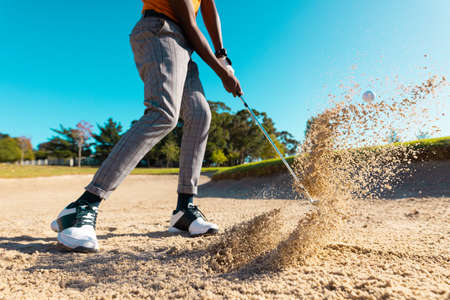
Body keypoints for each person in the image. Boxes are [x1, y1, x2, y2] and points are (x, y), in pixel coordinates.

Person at [50, 0, 243, 252]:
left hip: (184, 45)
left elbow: (208, 7)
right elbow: (190, 23)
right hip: (159, 31)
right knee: (163, 113)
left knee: (199, 113)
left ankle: (184, 210)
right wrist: (222, 73)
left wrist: (222, 53)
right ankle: (83, 206)